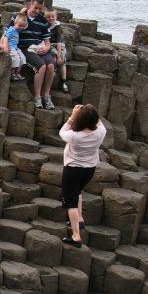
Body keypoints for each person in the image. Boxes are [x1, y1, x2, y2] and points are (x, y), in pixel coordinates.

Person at [59, 104, 107, 246]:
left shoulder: (75, 136)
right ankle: (79, 219)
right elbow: (97, 121)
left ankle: (76, 237)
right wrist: (89, 110)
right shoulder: (101, 132)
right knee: (77, 191)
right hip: (89, 170)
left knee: (70, 202)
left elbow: (62, 131)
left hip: (72, 170)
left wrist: (73, 116)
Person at [16, 0, 56, 110]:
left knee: (51, 65)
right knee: (42, 66)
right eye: (35, 8)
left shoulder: (43, 21)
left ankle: (46, 96)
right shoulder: (19, 17)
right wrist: (3, 44)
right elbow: (8, 33)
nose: (38, 11)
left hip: (40, 47)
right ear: (30, 5)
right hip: (25, 48)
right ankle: (37, 97)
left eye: (40, 9)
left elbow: (47, 41)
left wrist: (47, 48)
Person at [45, 9, 69, 93]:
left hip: (59, 45)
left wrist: (59, 57)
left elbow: (59, 43)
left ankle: (64, 81)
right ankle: (53, 73)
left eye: (53, 17)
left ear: (56, 17)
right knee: (53, 56)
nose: (50, 18)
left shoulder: (57, 27)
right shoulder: (44, 25)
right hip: (49, 45)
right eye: (48, 17)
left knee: (62, 61)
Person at [0, 13, 28, 81]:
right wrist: (5, 47)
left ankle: (17, 72)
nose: (21, 27)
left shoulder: (18, 29)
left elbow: (25, 24)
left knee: (23, 58)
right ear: (15, 23)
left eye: (22, 26)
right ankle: (12, 73)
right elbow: (5, 38)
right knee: (16, 59)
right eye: (20, 25)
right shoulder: (11, 29)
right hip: (11, 47)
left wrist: (23, 13)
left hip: (16, 47)